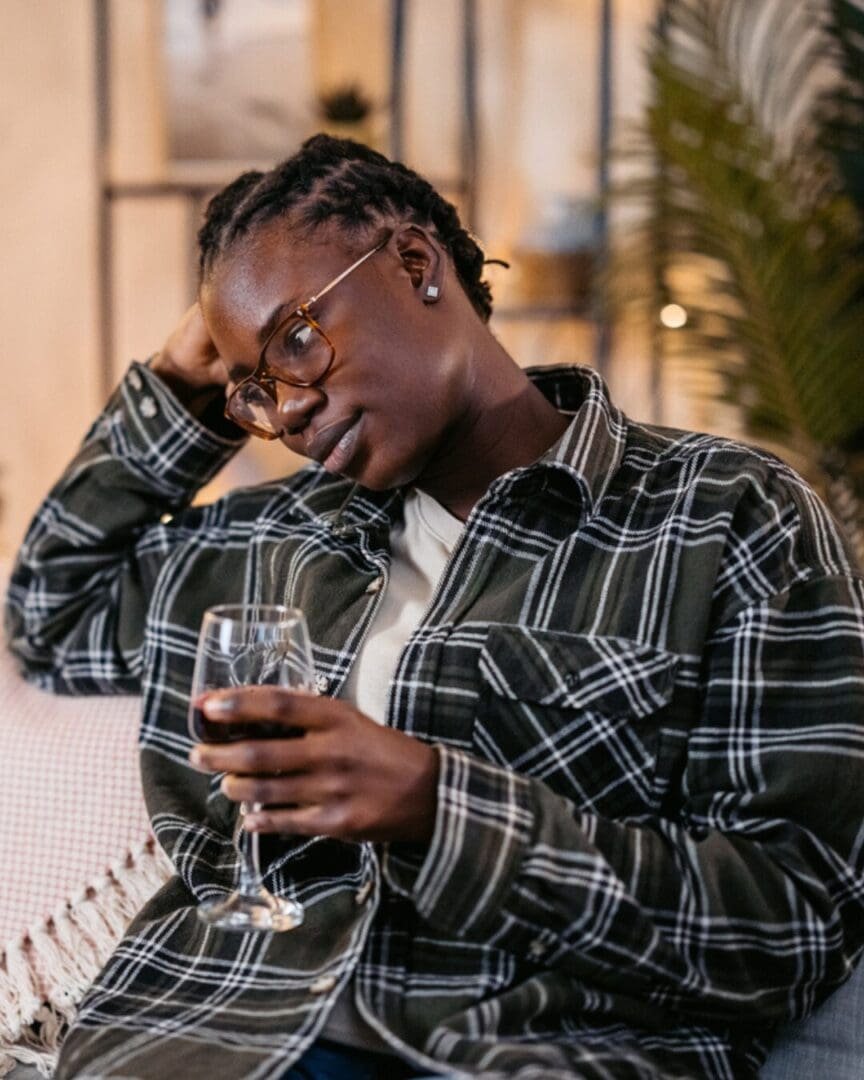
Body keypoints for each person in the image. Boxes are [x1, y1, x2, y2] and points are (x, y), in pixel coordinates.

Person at [6, 134, 864, 1080]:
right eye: (255, 391)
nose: (285, 413)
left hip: (519, 1055)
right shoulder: (274, 539)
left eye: (298, 340)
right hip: (213, 1040)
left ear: (415, 263)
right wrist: (180, 386)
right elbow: (52, 609)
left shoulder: (726, 516)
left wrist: (437, 807)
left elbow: (794, 926)